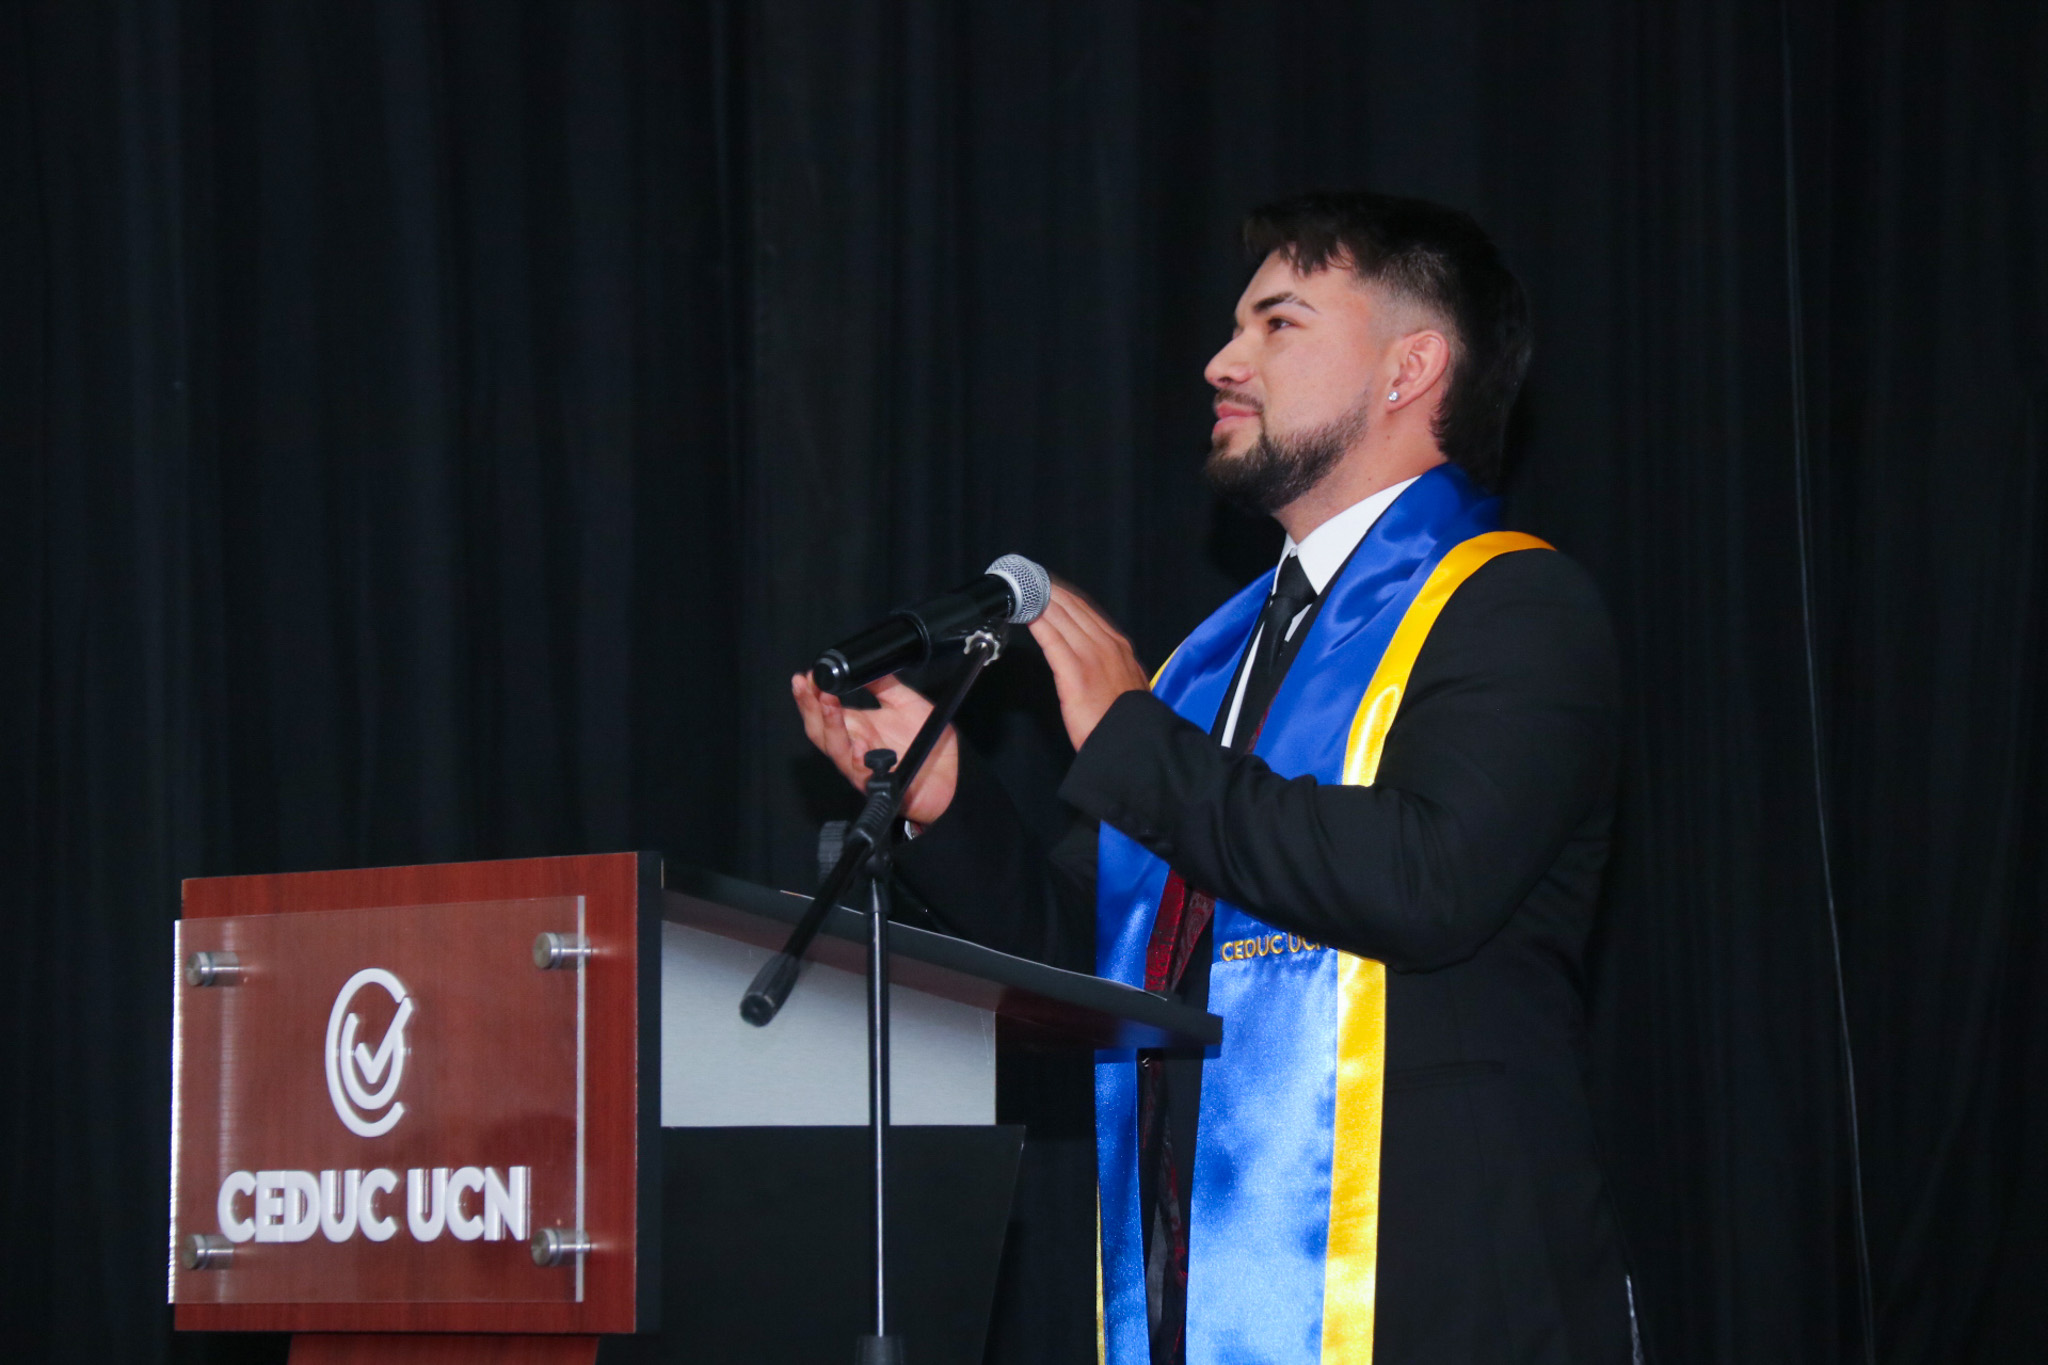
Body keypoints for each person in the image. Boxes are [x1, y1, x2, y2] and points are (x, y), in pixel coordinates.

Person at [792, 191, 1633, 1365]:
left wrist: (1132, 741)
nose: (1221, 362)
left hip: (1433, 1297)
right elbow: (1089, 952)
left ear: (1409, 368)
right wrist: (946, 806)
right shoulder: (1208, 662)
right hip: (1195, 1293)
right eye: (1236, 327)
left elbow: (1422, 880)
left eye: (1276, 324)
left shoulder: (1515, 606)